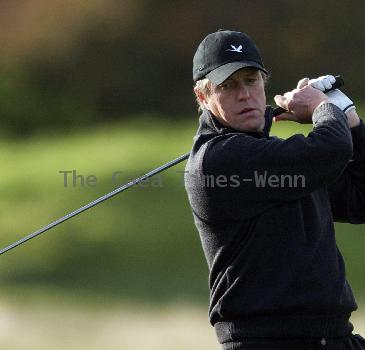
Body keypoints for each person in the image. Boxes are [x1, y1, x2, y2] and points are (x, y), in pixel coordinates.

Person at [184, 29, 365, 350]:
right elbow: (330, 151)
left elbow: (359, 201)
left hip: (333, 338)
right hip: (267, 343)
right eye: (228, 86)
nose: (244, 94)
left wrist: (352, 122)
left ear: (263, 83)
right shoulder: (218, 160)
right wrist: (324, 108)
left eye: (251, 80)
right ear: (203, 97)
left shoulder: (278, 159)